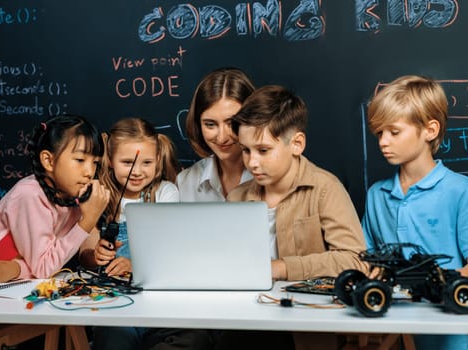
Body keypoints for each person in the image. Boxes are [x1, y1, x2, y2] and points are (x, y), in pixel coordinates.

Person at [224, 85, 369, 350]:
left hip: (304, 325)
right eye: (246, 151)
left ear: (297, 144)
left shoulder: (325, 188)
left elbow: (355, 260)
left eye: (263, 150)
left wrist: (280, 267)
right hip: (245, 320)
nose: (252, 162)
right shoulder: (237, 197)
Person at [0, 114, 110, 294]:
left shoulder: (72, 198)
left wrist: (14, 269)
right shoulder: (30, 194)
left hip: (4, 288)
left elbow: (43, 264)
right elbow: (44, 268)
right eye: (80, 160)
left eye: (95, 163)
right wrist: (87, 221)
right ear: (48, 160)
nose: (89, 172)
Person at [362, 75, 468, 350]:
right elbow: (366, 257)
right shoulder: (377, 195)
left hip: (452, 335)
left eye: (394, 132)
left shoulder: (460, 191)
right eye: (379, 133)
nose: (383, 142)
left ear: (430, 130)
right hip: (394, 331)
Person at [78, 118, 180, 350]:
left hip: (159, 304)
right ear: (111, 161)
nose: (137, 171)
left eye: (147, 162)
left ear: (158, 161)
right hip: (114, 304)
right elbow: (85, 255)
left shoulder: (165, 193)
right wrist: (97, 256)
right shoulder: (98, 197)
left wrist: (136, 265)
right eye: (127, 162)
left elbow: (171, 252)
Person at [176, 67, 255, 201]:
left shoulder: (273, 176)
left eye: (231, 123)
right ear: (198, 124)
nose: (222, 137)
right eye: (210, 124)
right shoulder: (185, 182)